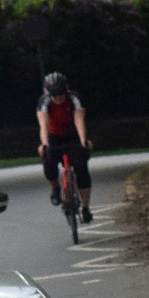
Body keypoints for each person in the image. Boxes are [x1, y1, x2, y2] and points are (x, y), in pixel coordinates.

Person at [37, 72, 93, 224]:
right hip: (53, 136)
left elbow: (79, 120)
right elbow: (44, 125)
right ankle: (56, 189)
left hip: (72, 134)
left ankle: (86, 207)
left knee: (81, 166)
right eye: (55, 95)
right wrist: (44, 144)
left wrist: (83, 140)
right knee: (48, 160)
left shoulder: (74, 99)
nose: (59, 99)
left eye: (61, 94)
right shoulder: (44, 102)